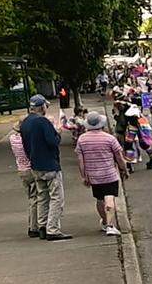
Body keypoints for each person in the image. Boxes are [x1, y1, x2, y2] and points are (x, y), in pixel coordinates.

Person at [19, 95, 72, 241]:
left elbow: (25, 146)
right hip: (49, 164)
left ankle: (41, 227)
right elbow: (52, 142)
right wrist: (58, 133)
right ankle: (53, 229)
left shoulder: (25, 123)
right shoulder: (43, 122)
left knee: (42, 196)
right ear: (42, 107)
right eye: (46, 106)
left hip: (35, 165)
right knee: (57, 197)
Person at [75, 112, 127, 236]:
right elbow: (119, 157)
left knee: (99, 199)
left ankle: (104, 221)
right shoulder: (109, 138)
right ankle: (110, 225)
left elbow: (80, 160)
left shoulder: (82, 139)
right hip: (109, 173)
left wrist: (84, 175)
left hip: (94, 175)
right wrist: (124, 168)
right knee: (109, 197)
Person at [8, 119, 40, 237]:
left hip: (21, 170)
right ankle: (34, 226)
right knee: (35, 199)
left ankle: (32, 224)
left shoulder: (13, 139)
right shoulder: (26, 140)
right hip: (30, 169)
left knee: (31, 198)